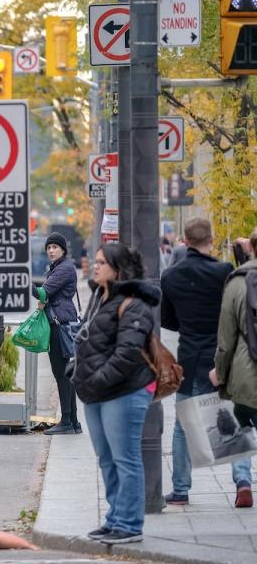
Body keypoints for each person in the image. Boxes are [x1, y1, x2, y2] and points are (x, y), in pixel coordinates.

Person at [72, 243, 157, 545]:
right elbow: (89, 341)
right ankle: (114, 518)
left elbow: (128, 353)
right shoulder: (99, 297)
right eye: (94, 262)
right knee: (107, 459)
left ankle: (130, 524)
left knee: (126, 459)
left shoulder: (134, 303)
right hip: (96, 392)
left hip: (125, 390)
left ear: (118, 269)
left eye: (101, 263)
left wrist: (96, 379)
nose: (94, 267)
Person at [160, 218, 247, 506]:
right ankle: (242, 481)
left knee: (182, 426)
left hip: (189, 356)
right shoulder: (223, 272)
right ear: (211, 239)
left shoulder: (170, 276)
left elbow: (167, 319)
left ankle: (181, 489)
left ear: (184, 240)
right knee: (233, 418)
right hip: (219, 357)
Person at [211, 227, 257, 508]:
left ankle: (243, 483)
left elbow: (226, 337)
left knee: (240, 425)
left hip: (245, 370)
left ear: (250, 247)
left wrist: (220, 371)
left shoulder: (237, 282)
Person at [33, 232, 81, 435]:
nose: (51, 250)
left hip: (59, 324)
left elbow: (44, 293)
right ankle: (73, 422)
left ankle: (67, 421)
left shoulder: (64, 268)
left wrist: (22, 281)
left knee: (61, 373)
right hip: (58, 322)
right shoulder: (58, 268)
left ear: (63, 249)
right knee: (64, 373)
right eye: (49, 247)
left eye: (55, 247)